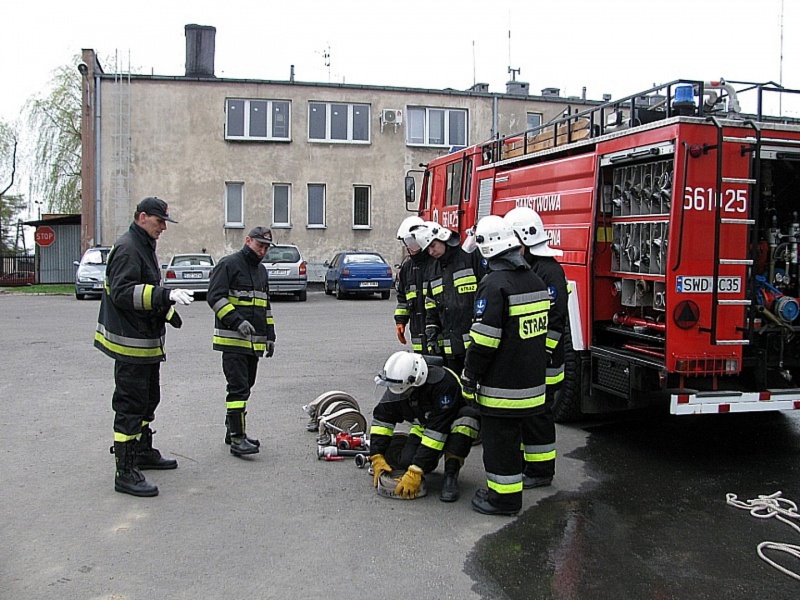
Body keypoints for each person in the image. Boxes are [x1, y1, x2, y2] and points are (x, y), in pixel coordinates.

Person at [95, 197, 194, 497]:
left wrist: (167, 312)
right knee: (130, 406)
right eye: (159, 221)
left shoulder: (143, 246)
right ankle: (125, 471)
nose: (163, 227)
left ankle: (141, 450)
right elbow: (125, 293)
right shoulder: (128, 247)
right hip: (131, 345)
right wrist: (165, 297)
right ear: (142, 217)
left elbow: (144, 289)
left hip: (146, 344)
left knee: (149, 400)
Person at [462, 215, 550, 516]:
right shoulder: (535, 280)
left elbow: (485, 341)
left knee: (500, 447)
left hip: (502, 388)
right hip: (532, 386)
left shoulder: (493, 284)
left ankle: (504, 499)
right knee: (515, 442)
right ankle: (508, 492)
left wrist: (470, 375)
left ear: (487, 248)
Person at [505, 207, 569, 489]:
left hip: (546, 364)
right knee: (525, 416)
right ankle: (526, 465)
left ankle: (541, 471)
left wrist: (539, 355)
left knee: (538, 417)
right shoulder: (532, 267)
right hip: (531, 360)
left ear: (525, 239)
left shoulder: (549, 271)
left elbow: (554, 323)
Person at [369, 351, 480, 502]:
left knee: (467, 421)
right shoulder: (399, 384)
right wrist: (377, 456)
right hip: (426, 426)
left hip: (452, 423)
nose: (397, 393)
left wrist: (417, 469)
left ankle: (451, 474)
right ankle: (427, 464)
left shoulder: (443, 384)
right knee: (406, 462)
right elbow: (382, 421)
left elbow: (437, 432)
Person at [207, 227, 276, 457]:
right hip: (233, 340)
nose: (263, 251)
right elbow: (214, 296)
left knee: (246, 387)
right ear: (248, 241)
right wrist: (236, 321)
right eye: (259, 246)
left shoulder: (261, 271)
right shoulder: (229, 264)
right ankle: (238, 439)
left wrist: (270, 336)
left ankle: (233, 430)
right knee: (237, 389)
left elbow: (265, 306)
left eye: (266, 247)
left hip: (253, 344)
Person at [414, 221, 486, 376]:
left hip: (474, 346)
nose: (432, 252)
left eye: (433, 246)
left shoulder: (470, 258)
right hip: (450, 348)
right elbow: (431, 307)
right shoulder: (434, 269)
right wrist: (432, 335)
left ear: (443, 238)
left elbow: (487, 293)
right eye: (428, 250)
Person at [393, 216, 431, 353]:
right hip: (417, 330)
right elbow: (402, 299)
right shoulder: (407, 268)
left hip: (436, 329)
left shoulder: (435, 263)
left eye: (410, 242)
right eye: (406, 242)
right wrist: (400, 321)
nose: (409, 246)